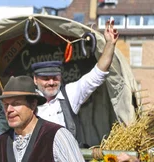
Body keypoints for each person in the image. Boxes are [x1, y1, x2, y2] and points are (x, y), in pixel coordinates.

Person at [32, 19, 119, 148]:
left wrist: (110, 43)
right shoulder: (28, 101)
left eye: (55, 78)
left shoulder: (69, 95)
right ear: (35, 80)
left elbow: (97, 74)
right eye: (46, 78)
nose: (51, 82)